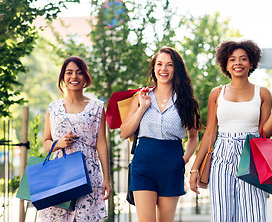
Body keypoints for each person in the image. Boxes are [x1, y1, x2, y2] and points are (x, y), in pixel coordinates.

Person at [189, 40, 272, 222]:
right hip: (222, 155)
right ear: (226, 65)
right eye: (232, 59)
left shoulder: (262, 93)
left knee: (253, 214)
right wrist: (194, 169)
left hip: (252, 155)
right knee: (222, 215)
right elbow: (209, 134)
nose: (238, 63)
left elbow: (265, 134)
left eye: (243, 59)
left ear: (251, 63)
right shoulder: (217, 93)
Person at [120, 47, 202, 222]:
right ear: (154, 68)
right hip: (143, 165)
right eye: (159, 64)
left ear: (176, 69)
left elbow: (193, 136)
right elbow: (125, 132)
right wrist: (142, 108)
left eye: (169, 65)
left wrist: (184, 159)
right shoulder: (141, 97)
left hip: (172, 165)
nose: (163, 69)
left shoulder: (186, 102)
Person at [40, 56, 112, 221]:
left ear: (86, 77)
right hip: (60, 174)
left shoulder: (97, 107)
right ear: (63, 78)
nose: (74, 77)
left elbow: (101, 142)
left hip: (89, 174)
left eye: (79, 73)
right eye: (69, 73)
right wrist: (58, 143)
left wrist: (106, 178)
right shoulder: (53, 108)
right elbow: (46, 143)